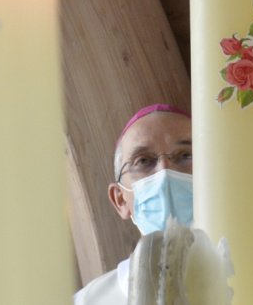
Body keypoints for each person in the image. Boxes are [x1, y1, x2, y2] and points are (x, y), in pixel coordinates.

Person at [74, 104, 193, 304]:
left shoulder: (249, 278)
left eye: (185, 156)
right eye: (143, 161)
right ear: (120, 200)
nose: (165, 172)